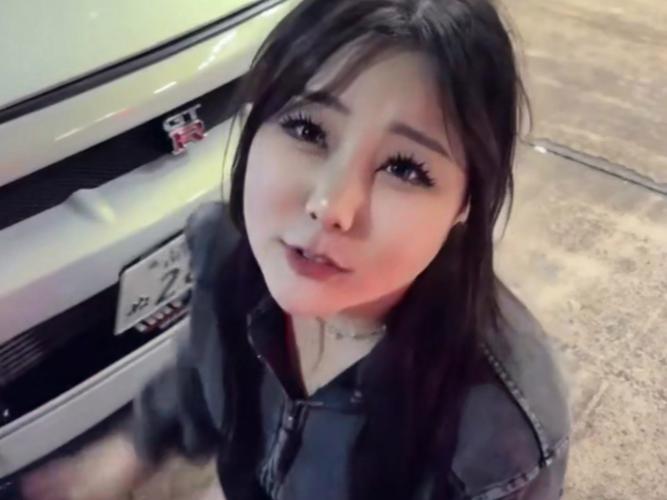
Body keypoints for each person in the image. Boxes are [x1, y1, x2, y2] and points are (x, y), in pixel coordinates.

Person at [22, 0, 570, 498]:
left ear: (466, 203)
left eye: (405, 168)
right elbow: (203, 370)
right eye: (308, 130)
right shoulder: (229, 254)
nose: (330, 205)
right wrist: (132, 449)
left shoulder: (498, 435)